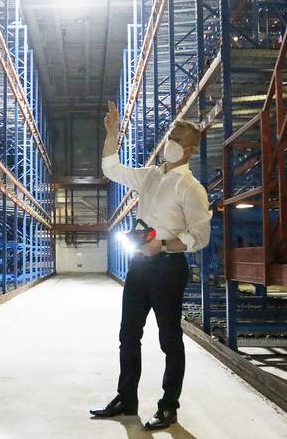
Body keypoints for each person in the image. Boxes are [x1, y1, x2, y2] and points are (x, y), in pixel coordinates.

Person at [90, 100, 212, 431]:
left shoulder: (191, 188)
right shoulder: (151, 177)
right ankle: (126, 399)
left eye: (175, 138)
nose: (168, 142)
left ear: (187, 150)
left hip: (169, 268)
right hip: (140, 266)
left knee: (169, 339)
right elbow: (112, 169)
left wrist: (165, 244)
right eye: (169, 135)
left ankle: (168, 406)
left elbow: (200, 236)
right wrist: (112, 134)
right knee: (128, 334)